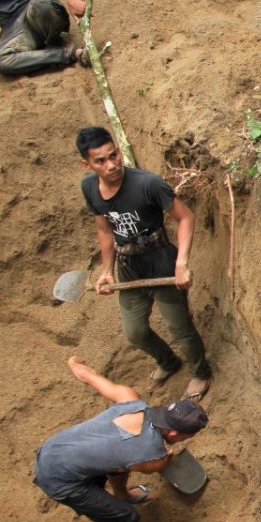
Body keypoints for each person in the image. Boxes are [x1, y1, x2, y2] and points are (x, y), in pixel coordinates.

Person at [34, 356, 209, 522]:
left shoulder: (131, 399)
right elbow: (155, 464)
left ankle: (123, 494)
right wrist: (166, 457)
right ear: (175, 435)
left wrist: (76, 364)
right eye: (188, 435)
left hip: (53, 449)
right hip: (61, 480)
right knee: (128, 519)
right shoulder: (152, 457)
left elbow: (89, 376)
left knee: (118, 464)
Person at [78, 126, 212, 400]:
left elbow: (185, 217)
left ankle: (200, 372)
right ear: (87, 164)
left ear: (117, 148)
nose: (112, 164)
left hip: (161, 261)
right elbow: (104, 230)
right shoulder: (89, 188)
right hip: (129, 267)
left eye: (113, 155)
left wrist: (181, 263)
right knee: (135, 332)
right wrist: (107, 271)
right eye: (100, 161)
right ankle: (168, 362)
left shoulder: (146, 184)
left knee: (179, 327)